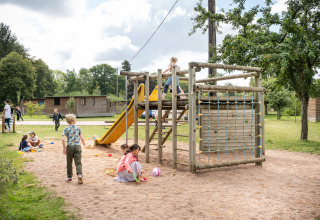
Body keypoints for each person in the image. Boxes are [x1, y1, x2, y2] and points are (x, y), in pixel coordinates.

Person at [62, 114, 85, 184]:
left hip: (70, 147)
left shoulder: (66, 129)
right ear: (74, 120)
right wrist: (83, 142)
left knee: (69, 162)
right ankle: (79, 174)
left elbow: (63, 139)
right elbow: (82, 138)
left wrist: (64, 147)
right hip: (77, 146)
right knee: (78, 161)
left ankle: (69, 177)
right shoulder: (78, 128)